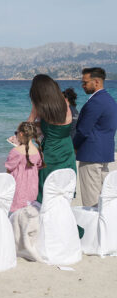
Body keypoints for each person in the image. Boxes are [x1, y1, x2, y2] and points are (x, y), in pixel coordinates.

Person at [27, 74, 76, 202]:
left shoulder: (40, 106)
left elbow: (28, 126)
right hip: (67, 150)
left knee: (46, 189)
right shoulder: (65, 103)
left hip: (51, 152)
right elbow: (57, 126)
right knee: (63, 189)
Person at [73, 67, 117, 207]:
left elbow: (83, 130)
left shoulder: (95, 102)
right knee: (105, 199)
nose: (83, 85)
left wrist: (73, 146)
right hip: (104, 153)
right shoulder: (110, 100)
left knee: (91, 201)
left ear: (96, 82)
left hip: (90, 154)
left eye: (85, 82)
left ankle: (93, 228)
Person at [5, 122, 44, 212]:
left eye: (16, 133)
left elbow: (8, 169)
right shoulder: (37, 151)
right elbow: (38, 167)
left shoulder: (16, 151)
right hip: (33, 188)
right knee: (28, 213)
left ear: (21, 134)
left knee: (15, 214)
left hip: (18, 188)